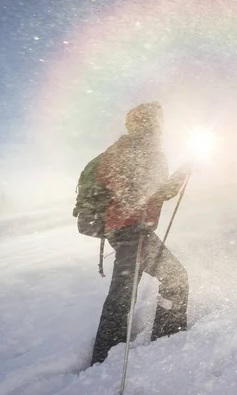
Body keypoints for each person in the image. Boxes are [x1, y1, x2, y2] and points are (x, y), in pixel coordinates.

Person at [91, 102, 190, 365]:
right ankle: (164, 340)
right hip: (132, 231)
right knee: (167, 281)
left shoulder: (119, 149)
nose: (160, 126)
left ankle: (105, 356)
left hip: (124, 230)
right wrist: (183, 172)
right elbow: (158, 191)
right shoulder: (146, 149)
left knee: (124, 292)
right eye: (158, 121)